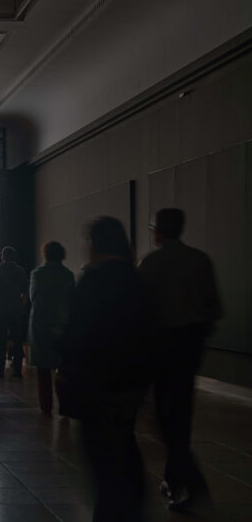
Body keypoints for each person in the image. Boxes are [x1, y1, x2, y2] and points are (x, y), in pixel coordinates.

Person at [57, 217, 154, 522]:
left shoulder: (93, 281)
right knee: (123, 444)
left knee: (102, 458)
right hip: (129, 383)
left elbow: (79, 334)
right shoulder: (137, 280)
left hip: (95, 384)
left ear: (95, 244)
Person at [138, 208, 222, 510]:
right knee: (181, 414)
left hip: (162, 347)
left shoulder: (152, 263)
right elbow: (214, 308)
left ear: (158, 231)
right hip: (191, 347)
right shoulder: (200, 261)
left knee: (163, 418)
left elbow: (140, 310)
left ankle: (192, 485)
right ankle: (175, 480)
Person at [28, 241, 75, 414]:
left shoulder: (37, 274)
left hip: (41, 323)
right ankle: (65, 405)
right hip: (64, 323)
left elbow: (34, 297)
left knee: (43, 369)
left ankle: (46, 406)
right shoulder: (68, 275)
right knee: (63, 368)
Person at [0, 246, 29, 378]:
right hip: (16, 310)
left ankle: (0, 369)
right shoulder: (20, 271)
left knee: (2, 341)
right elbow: (25, 292)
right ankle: (18, 370)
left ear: (3, 256)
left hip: (2, 310)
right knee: (18, 341)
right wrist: (21, 305)